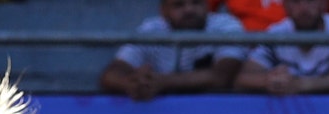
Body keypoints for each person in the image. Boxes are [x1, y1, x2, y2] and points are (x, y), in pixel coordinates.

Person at [100, 0, 246, 101]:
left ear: (207, 6)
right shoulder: (151, 29)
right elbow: (110, 75)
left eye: (196, 2)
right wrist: (132, 84)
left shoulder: (225, 26)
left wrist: (163, 82)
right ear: (163, 11)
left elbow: (222, 77)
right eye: (179, 4)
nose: (189, 10)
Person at [235, 0, 329, 95]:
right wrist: (268, 81)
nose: (304, 9)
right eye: (296, 1)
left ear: (324, 3)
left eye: (310, 1)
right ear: (285, 5)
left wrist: (302, 85)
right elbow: (242, 80)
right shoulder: (275, 34)